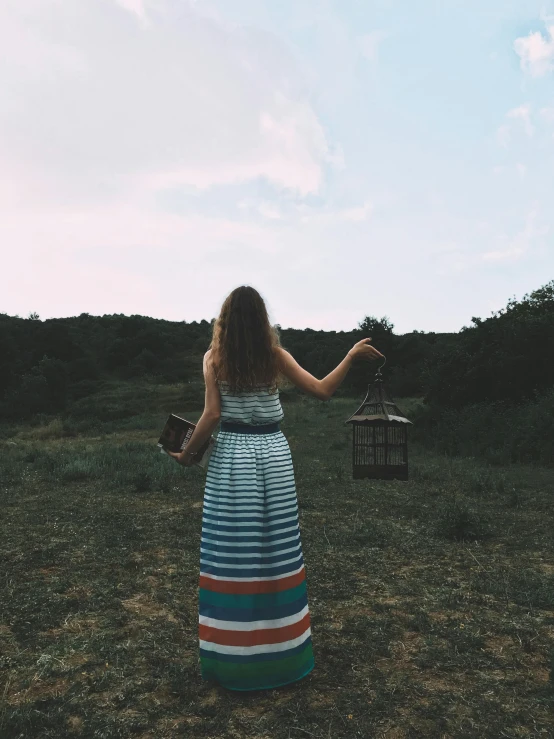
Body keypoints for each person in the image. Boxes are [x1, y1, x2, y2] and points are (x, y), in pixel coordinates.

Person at [166, 285, 383, 691]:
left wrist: (186, 454)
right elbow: (323, 390)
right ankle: (282, 653)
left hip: (232, 459)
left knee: (231, 554)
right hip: (273, 456)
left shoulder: (213, 358)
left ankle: (233, 657)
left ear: (224, 321)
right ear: (263, 320)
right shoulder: (276, 356)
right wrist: (350, 355)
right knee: (278, 551)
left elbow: (212, 414)